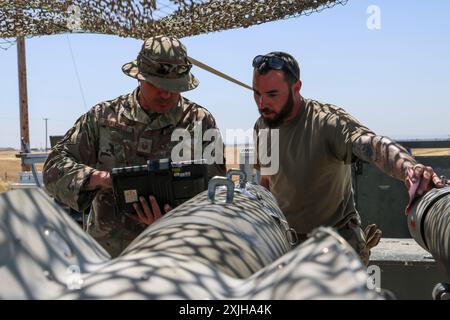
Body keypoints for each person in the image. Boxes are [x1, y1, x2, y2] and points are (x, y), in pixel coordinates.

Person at [251, 52, 445, 266]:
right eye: (256, 93)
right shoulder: (264, 127)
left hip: (335, 247)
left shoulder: (327, 122)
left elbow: (373, 145)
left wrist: (410, 169)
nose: (262, 103)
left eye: (271, 94)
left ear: (296, 88)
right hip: (288, 245)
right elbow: (268, 182)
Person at [43, 36, 225, 257]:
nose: (166, 94)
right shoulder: (103, 118)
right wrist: (99, 179)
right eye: (158, 85)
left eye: (175, 87)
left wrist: (172, 219)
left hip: (177, 256)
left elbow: (218, 193)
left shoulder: (199, 122)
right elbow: (53, 167)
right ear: (139, 78)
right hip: (111, 258)